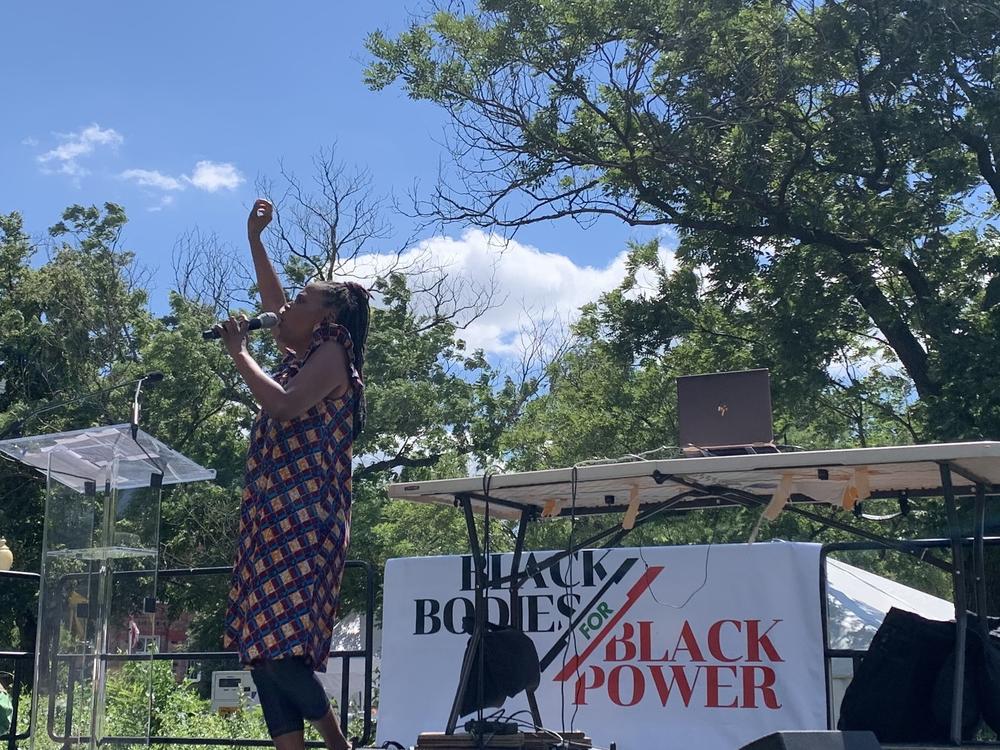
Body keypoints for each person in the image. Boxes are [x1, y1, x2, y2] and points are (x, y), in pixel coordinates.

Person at [219, 198, 370, 750]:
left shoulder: (333, 351)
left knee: (280, 649)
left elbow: (283, 406)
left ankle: (337, 745)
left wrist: (240, 355)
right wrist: (255, 240)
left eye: (304, 300)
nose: (287, 308)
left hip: (304, 520)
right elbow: (276, 304)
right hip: (273, 517)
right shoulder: (305, 346)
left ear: (327, 318)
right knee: (260, 650)